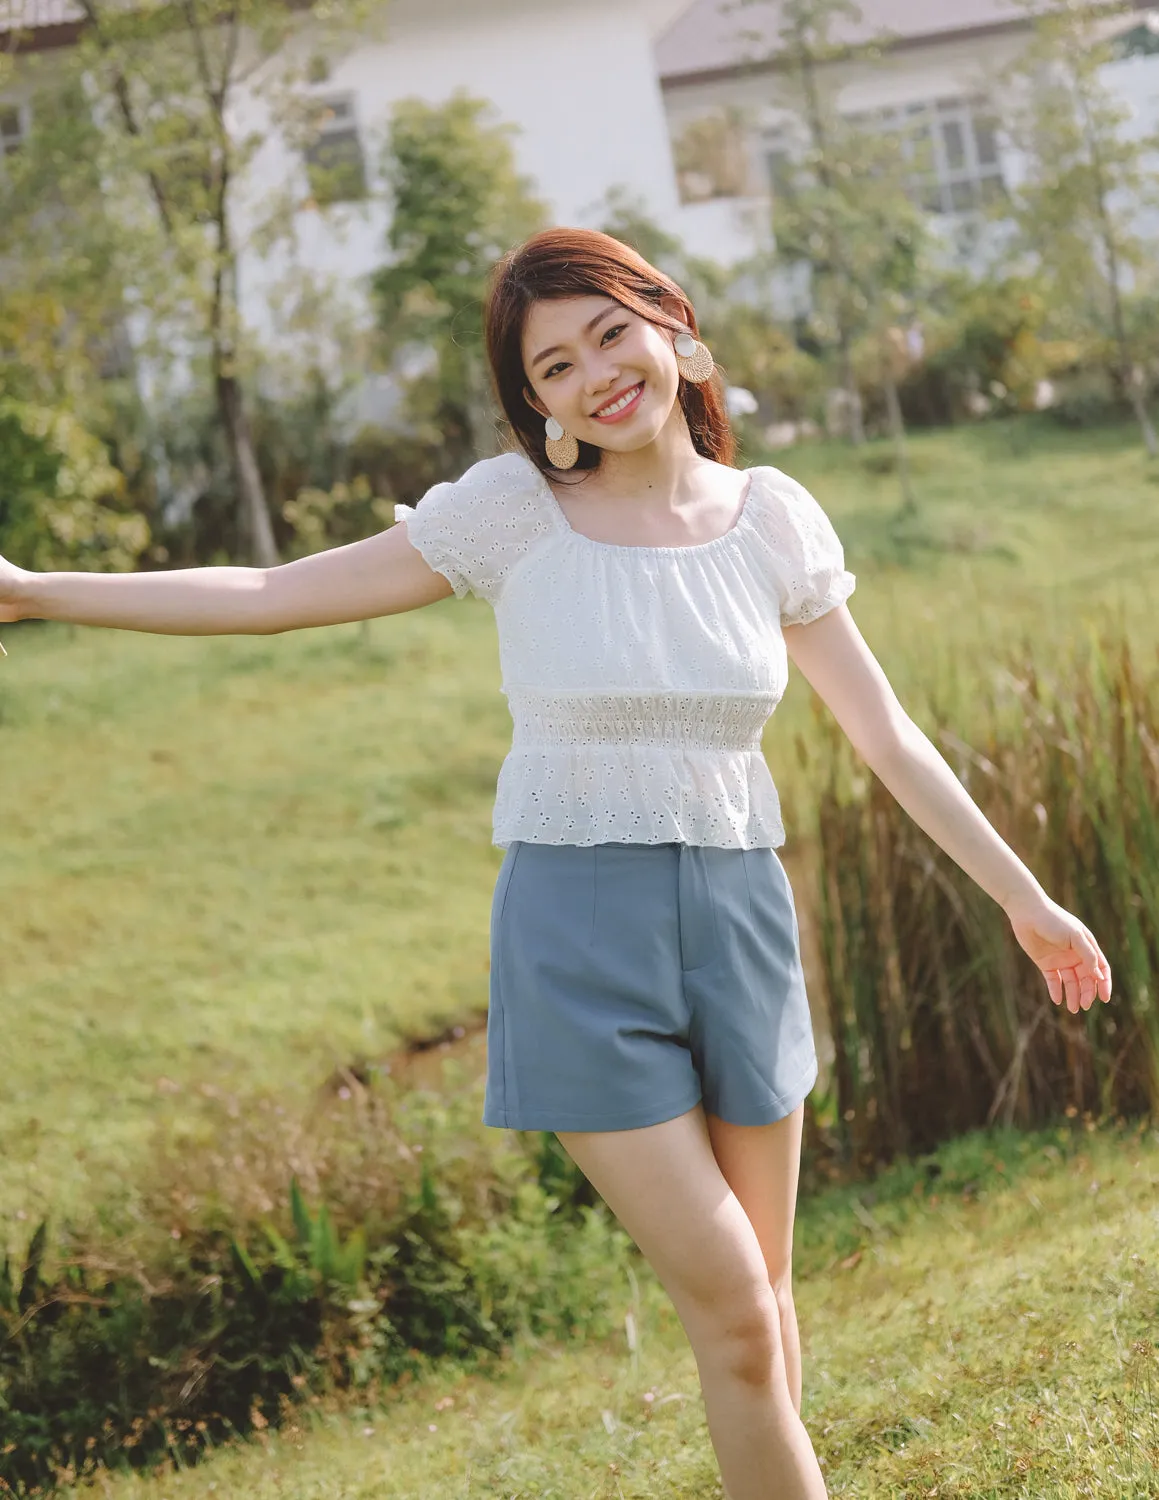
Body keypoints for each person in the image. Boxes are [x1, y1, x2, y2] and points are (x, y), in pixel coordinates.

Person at [0, 227, 1113, 1500]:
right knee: (738, 1314)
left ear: (670, 327)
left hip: (742, 921)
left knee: (770, 1302)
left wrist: (1026, 901)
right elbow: (267, 588)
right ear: (536, 404)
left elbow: (887, 735)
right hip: (580, 941)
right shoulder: (512, 517)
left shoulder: (774, 522)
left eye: (610, 334)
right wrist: (36, 590)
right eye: (556, 365)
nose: (597, 374)